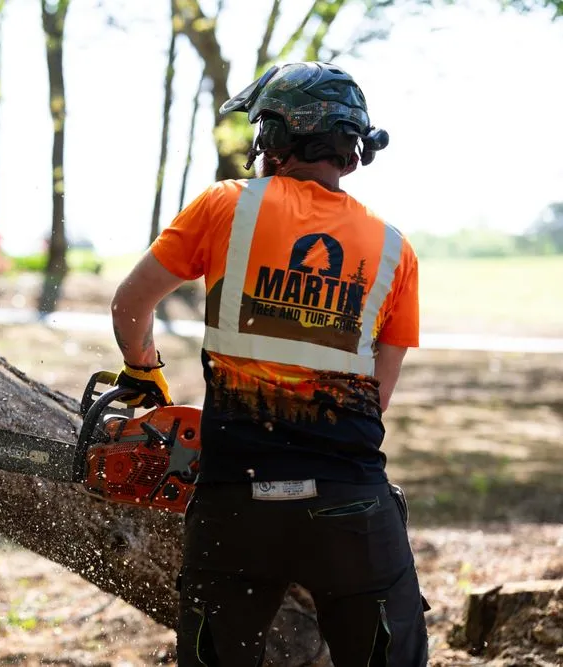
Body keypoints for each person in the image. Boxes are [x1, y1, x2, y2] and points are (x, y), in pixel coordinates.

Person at [109, 61, 428, 666]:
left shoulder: (224, 206)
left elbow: (131, 304)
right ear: (352, 151)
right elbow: (377, 398)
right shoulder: (395, 250)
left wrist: (143, 370)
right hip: (350, 507)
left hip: (236, 502)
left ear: (274, 140)